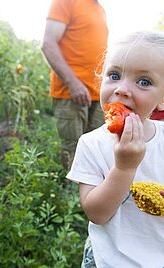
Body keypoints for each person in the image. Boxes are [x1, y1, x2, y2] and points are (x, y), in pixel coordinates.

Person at [66, 31, 164, 268]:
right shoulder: (91, 144)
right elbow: (96, 213)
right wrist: (124, 168)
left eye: (143, 82)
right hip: (109, 265)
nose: (121, 89)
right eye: (114, 75)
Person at [41, 0, 108, 170]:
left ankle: (91, 193)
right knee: (73, 149)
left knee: (96, 149)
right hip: (71, 92)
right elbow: (48, 44)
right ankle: (71, 194)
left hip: (97, 92)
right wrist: (73, 83)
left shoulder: (100, 9)